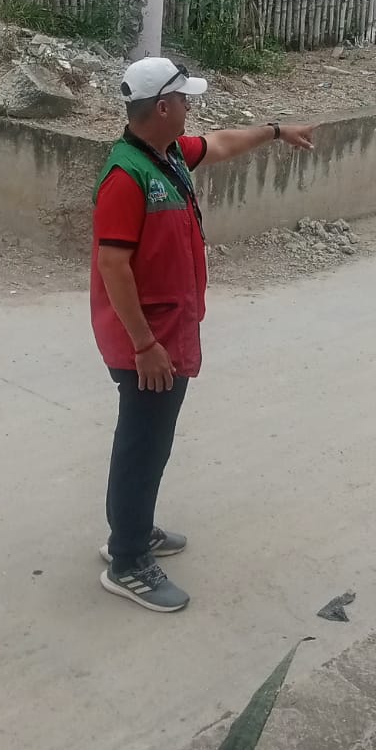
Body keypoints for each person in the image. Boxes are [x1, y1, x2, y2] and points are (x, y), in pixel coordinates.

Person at [90, 57, 315, 614]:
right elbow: (113, 266)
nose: (191, 107)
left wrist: (276, 131)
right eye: (185, 99)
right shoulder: (126, 176)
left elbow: (220, 144)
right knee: (143, 444)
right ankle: (127, 561)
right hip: (148, 341)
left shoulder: (165, 154)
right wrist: (144, 345)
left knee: (150, 440)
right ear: (163, 107)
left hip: (167, 331)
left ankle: (132, 530)